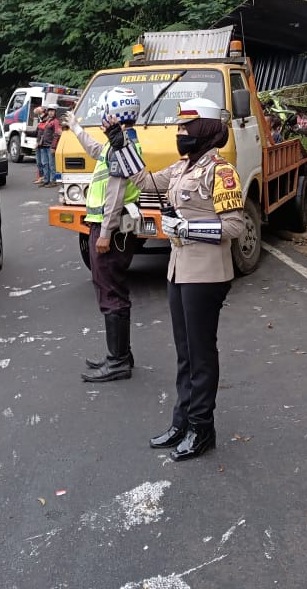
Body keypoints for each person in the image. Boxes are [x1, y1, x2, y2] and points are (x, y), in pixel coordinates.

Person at [102, 98, 245, 462]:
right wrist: (121, 143)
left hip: (207, 272)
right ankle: (182, 421)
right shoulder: (184, 167)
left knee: (200, 353)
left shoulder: (221, 171)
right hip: (179, 269)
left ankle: (202, 427)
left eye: (186, 128)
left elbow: (234, 226)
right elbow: (145, 180)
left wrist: (187, 226)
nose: (180, 134)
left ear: (204, 131)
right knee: (184, 354)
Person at [64, 90, 143, 383]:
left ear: (116, 115)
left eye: (106, 113)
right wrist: (75, 127)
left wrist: (105, 234)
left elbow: (115, 194)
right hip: (110, 226)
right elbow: (97, 151)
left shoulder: (124, 147)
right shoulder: (119, 145)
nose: (103, 118)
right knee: (114, 290)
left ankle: (118, 361)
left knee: (111, 292)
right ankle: (121, 355)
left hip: (110, 228)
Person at [36, 107, 60, 186]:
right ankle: (46, 180)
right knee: (45, 164)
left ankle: (52, 181)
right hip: (43, 145)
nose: (51, 113)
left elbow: (56, 134)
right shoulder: (47, 121)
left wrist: (53, 147)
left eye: (52, 111)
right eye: (49, 111)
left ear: (55, 112)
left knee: (51, 164)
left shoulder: (56, 121)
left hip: (50, 146)